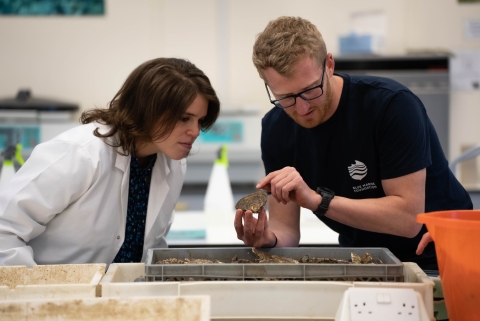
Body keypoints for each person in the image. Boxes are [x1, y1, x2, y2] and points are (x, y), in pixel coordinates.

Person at [234, 16, 472, 270]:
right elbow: (286, 230)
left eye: (310, 90)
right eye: (285, 98)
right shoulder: (276, 129)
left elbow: (407, 220)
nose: (301, 108)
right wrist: (268, 240)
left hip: (443, 261)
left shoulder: (391, 106)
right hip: (365, 262)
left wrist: (317, 200)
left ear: (329, 65)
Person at [0, 57, 220, 267]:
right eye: (184, 118)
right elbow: (5, 230)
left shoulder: (172, 164)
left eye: (199, 120)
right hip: (53, 296)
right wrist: (40, 292)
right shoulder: (81, 153)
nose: (195, 131)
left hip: (118, 296)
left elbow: (150, 246)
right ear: (146, 110)